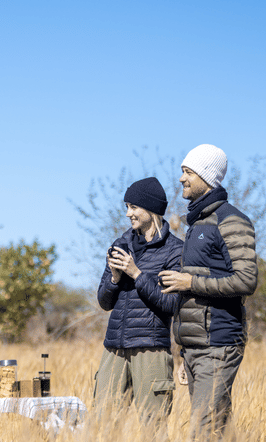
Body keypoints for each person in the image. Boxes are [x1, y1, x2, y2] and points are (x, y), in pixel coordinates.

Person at [159, 144, 258, 438]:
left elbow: (246, 280)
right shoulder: (198, 224)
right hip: (196, 348)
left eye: (188, 172)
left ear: (206, 176)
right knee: (219, 431)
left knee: (202, 432)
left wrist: (190, 282)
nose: (181, 179)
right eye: (182, 172)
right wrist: (183, 353)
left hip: (218, 345)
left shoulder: (231, 221)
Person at [94, 177, 183, 423]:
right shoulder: (120, 245)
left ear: (151, 209)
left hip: (151, 348)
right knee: (103, 425)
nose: (127, 214)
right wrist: (114, 277)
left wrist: (136, 274)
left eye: (133, 207)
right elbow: (104, 303)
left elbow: (172, 304)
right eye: (126, 207)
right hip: (114, 347)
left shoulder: (175, 251)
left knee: (153, 428)